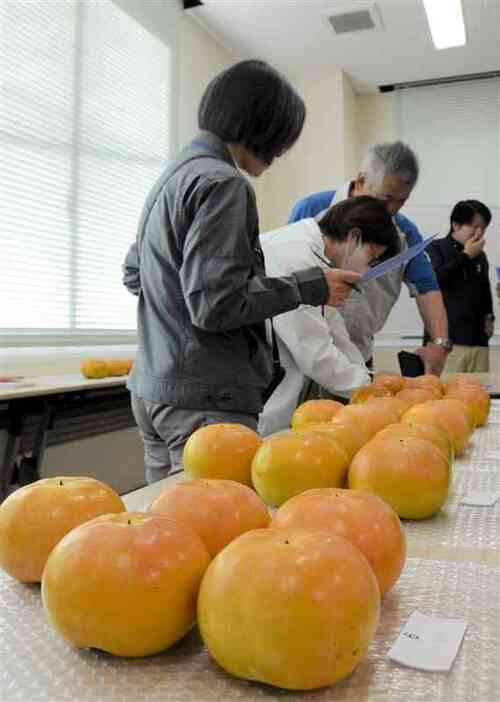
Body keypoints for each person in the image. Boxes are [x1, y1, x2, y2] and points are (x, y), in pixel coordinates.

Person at [122, 60, 360, 484]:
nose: (281, 154)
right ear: (264, 127)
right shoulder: (224, 185)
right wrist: (310, 285)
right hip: (204, 399)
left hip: (153, 390)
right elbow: (216, 305)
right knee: (215, 533)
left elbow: (134, 274)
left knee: (165, 531)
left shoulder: (170, 179)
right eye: (283, 141)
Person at [288, 141, 452, 375]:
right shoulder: (311, 210)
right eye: (385, 199)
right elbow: (284, 276)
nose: (392, 209)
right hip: (305, 360)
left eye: (401, 201)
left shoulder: (405, 234)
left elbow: (427, 289)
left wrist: (439, 344)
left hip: (359, 358)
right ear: (361, 181)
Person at [259, 195, 400, 435]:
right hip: (252, 400)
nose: (368, 271)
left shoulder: (320, 258)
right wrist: (370, 389)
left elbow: (335, 331)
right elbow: (314, 354)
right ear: (354, 237)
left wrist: (368, 380)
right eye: (371, 259)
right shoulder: (296, 257)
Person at [425, 200, 494, 372]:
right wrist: (465, 256)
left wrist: (490, 316)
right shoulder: (436, 248)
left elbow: (484, 290)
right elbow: (434, 281)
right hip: (447, 343)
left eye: (483, 228)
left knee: (477, 394)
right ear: (456, 225)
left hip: (478, 342)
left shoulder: (480, 256)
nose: (479, 233)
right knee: (447, 395)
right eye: (474, 227)